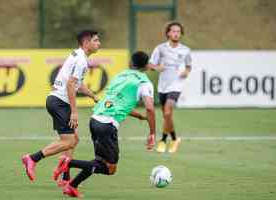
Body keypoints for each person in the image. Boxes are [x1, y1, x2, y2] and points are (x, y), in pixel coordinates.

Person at [53, 51, 156, 197]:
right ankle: (68, 162)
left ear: (130, 63)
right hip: (107, 125)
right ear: (146, 66)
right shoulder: (144, 83)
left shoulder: (120, 76)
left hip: (95, 119)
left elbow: (115, 103)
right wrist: (152, 133)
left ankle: (72, 186)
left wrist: (138, 116)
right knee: (109, 168)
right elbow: (150, 108)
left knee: (99, 161)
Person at [21, 30, 101, 187]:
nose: (99, 43)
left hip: (56, 101)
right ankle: (32, 158)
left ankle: (65, 176)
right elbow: (71, 84)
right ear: (86, 43)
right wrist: (74, 112)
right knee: (69, 140)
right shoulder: (81, 60)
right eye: (96, 40)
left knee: (73, 140)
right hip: (59, 103)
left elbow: (78, 84)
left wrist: (93, 96)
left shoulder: (78, 56)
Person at [149, 21, 192, 153]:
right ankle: (174, 139)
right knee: (167, 116)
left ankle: (163, 140)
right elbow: (150, 65)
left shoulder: (185, 50)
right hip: (163, 86)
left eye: (178, 32)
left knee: (167, 112)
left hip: (176, 85)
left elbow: (189, 66)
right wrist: (157, 68)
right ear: (168, 33)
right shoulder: (160, 48)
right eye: (173, 31)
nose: (176, 34)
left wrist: (186, 71)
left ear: (181, 34)